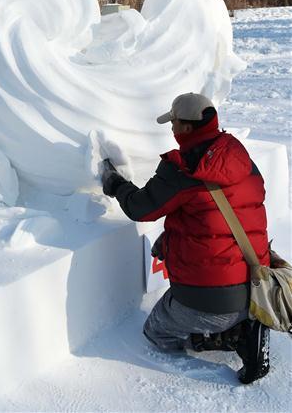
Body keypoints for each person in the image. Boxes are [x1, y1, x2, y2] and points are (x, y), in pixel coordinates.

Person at [100, 92, 271, 384]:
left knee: (157, 333)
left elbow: (141, 208)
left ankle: (236, 337)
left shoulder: (183, 168)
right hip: (256, 286)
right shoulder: (237, 155)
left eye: (175, 122)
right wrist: (170, 240)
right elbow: (216, 220)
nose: (172, 128)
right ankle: (242, 322)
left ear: (188, 128)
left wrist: (116, 184)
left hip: (211, 299)